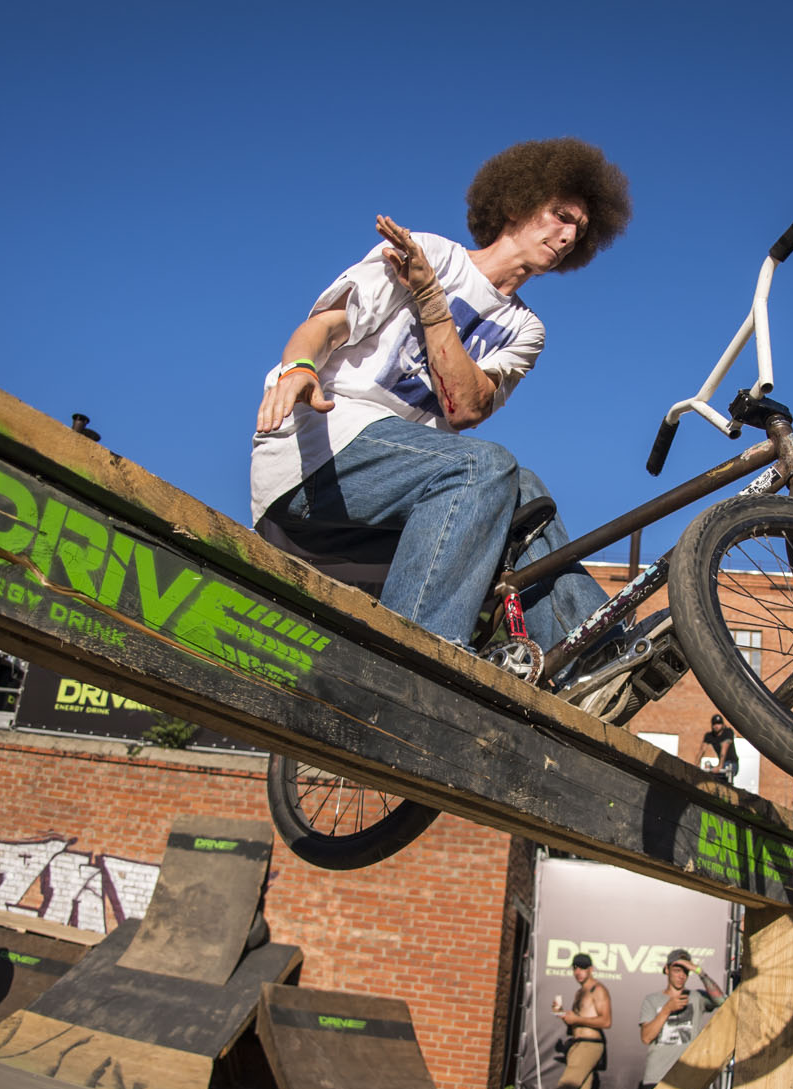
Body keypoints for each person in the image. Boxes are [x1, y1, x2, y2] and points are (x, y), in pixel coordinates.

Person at [250, 139, 638, 703]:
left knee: (525, 491)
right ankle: (417, 662)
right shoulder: (433, 252)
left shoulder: (526, 330)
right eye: (561, 215)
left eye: (581, 228)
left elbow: (466, 405)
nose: (570, 235)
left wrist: (431, 301)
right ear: (517, 204)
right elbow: (332, 323)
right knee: (487, 466)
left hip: (394, 503)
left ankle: (593, 664)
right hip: (318, 457)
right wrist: (300, 366)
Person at [632, 948, 726, 1089]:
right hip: (656, 1077)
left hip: (685, 1079)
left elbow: (721, 1000)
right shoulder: (652, 1000)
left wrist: (699, 971)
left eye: (685, 971)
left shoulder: (696, 997)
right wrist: (667, 1009)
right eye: (677, 970)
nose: (681, 975)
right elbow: (646, 1037)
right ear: (667, 970)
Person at [551, 952, 612, 1089]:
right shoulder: (580, 992)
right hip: (578, 1044)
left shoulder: (598, 990)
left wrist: (576, 1018)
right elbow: (577, 1021)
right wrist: (562, 1013)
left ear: (591, 969)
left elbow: (606, 1021)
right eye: (575, 967)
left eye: (583, 967)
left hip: (590, 1044)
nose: (578, 971)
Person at [698, 714, 738, 783]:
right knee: (707, 766)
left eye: (719, 724)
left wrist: (720, 766)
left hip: (732, 763)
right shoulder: (709, 736)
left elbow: (724, 749)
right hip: (721, 763)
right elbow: (702, 750)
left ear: (722, 724)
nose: (716, 726)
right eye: (714, 724)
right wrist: (696, 765)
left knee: (723, 769)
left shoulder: (728, 732)